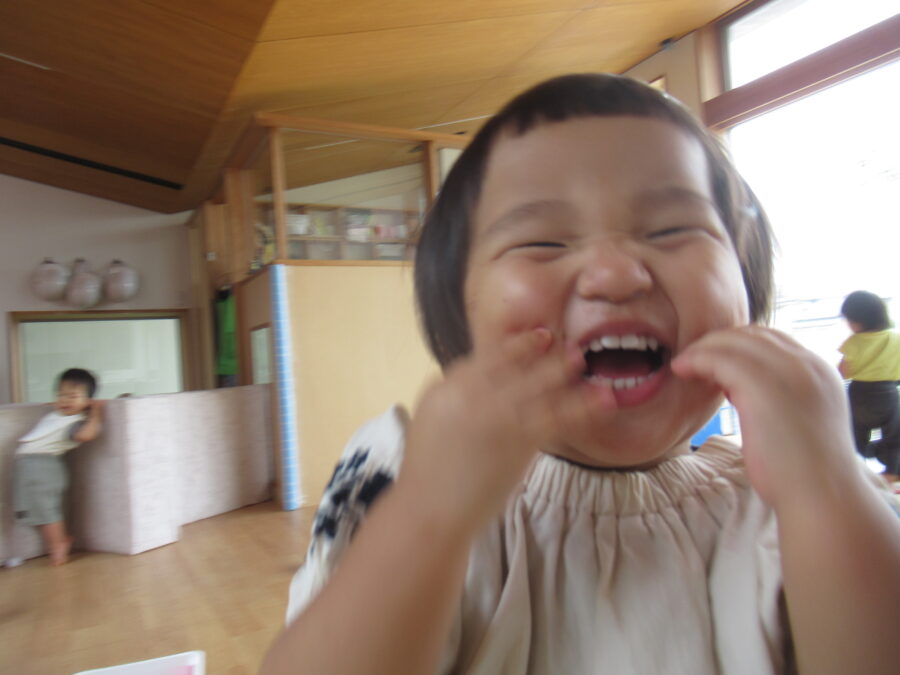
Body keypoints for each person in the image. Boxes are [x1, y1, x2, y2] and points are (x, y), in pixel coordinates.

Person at [261, 74, 900, 674]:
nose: (617, 275)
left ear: (747, 290)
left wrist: (825, 487)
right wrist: (428, 514)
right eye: (543, 242)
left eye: (672, 230)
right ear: (459, 318)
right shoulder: (412, 480)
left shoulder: (792, 496)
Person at [12, 368, 104, 566]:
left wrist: (95, 413)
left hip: (43, 467)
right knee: (37, 510)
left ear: (87, 401)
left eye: (73, 396)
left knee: (46, 511)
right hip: (30, 467)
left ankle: (58, 545)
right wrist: (53, 405)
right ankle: (59, 541)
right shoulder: (59, 415)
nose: (65, 400)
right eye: (61, 395)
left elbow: (86, 435)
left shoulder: (75, 422)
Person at [838, 290, 900, 482]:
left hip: (859, 395)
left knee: (856, 436)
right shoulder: (895, 339)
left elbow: (842, 371)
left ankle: (857, 474)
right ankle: (892, 472)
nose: (848, 325)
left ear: (859, 320)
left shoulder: (853, 342)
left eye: (850, 320)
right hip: (887, 394)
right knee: (894, 435)